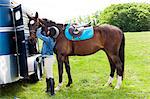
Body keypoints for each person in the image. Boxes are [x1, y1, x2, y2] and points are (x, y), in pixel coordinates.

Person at [36, 27, 55, 96]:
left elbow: (39, 35)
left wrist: (39, 28)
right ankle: (48, 89)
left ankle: (52, 92)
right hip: (48, 58)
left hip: (48, 59)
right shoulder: (50, 39)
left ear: (50, 33)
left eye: (49, 31)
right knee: (47, 74)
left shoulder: (48, 40)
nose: (47, 31)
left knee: (50, 75)